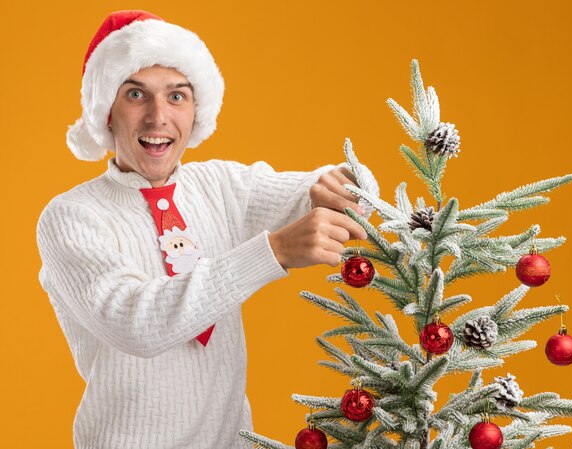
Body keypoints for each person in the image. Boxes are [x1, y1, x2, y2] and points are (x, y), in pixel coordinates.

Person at [36, 10, 375, 449]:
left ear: (196, 111)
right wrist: (272, 252)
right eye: (136, 94)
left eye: (177, 96)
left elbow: (324, 191)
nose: (158, 117)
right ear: (106, 113)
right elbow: (137, 324)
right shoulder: (71, 216)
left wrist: (349, 182)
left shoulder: (220, 185)